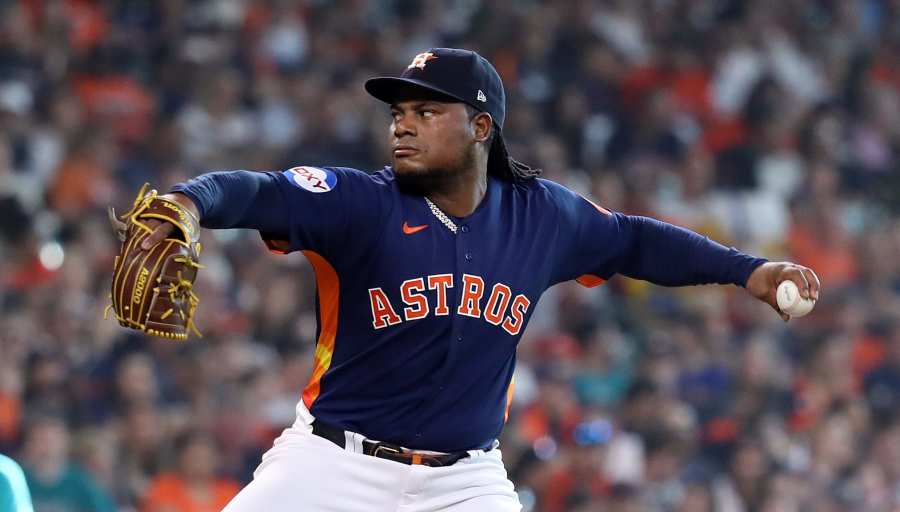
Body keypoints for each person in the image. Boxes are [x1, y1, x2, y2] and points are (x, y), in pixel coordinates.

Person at [135, 48, 820, 511]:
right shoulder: (360, 202)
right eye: (399, 113)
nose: (403, 126)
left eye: (427, 113)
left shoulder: (540, 215)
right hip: (331, 464)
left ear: (480, 126)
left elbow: (634, 240)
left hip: (463, 481)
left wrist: (749, 270)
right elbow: (257, 191)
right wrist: (190, 202)